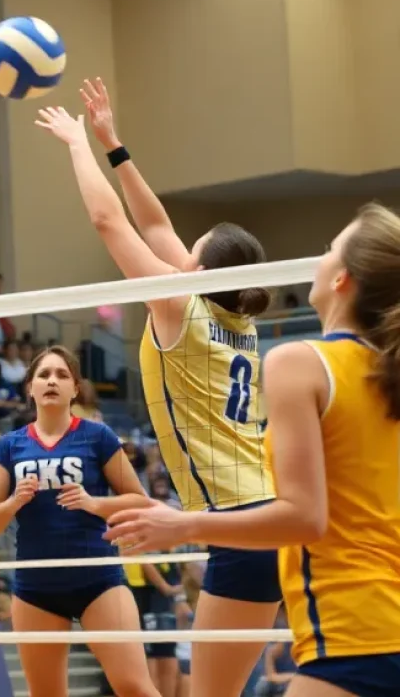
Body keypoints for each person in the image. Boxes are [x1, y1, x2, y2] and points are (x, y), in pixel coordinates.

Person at [36, 81, 278, 697]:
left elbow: (108, 220)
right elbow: (153, 220)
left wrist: (74, 145)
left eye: (188, 251)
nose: (178, 250)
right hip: (266, 516)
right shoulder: (237, 318)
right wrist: (112, 142)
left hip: (238, 521)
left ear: (198, 269)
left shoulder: (179, 303)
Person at [107, 203, 400, 697]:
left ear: (342, 279)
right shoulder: (382, 373)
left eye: (329, 249)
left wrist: (182, 524)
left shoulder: (300, 363)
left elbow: (306, 517)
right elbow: (158, 229)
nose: (317, 257)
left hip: (352, 627)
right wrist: (114, 147)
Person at [0, 346, 159, 697]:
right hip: (36, 587)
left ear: (75, 389)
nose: (52, 381)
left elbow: (141, 501)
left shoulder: (97, 436)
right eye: (44, 375)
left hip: (98, 579)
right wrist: (14, 501)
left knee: (133, 686)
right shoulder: (8, 446)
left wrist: (93, 503)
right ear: (30, 388)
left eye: (62, 375)